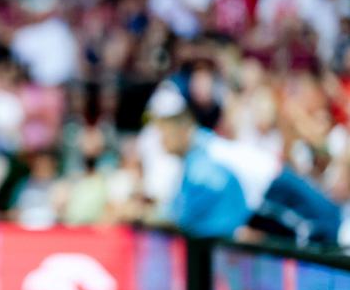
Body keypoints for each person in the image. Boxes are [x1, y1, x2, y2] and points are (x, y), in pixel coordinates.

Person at [148, 81, 345, 248]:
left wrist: (162, 217)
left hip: (276, 191)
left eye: (163, 132)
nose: (160, 141)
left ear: (181, 126)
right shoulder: (198, 154)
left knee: (327, 237)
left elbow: (199, 213)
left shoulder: (205, 160)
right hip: (269, 195)